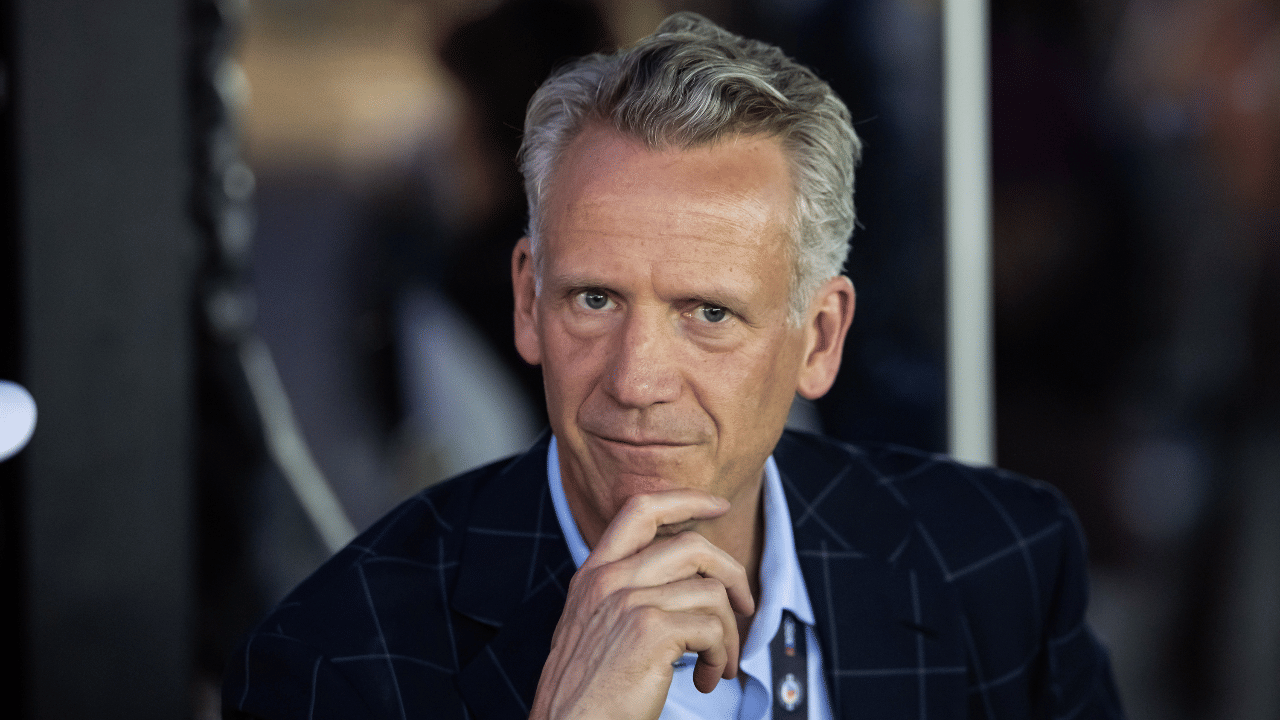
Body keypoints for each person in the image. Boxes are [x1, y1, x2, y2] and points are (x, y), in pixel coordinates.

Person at [223, 12, 1124, 720]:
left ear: (819, 339)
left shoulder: (1002, 565)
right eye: (595, 300)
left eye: (709, 313)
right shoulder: (336, 661)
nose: (638, 378)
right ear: (527, 300)